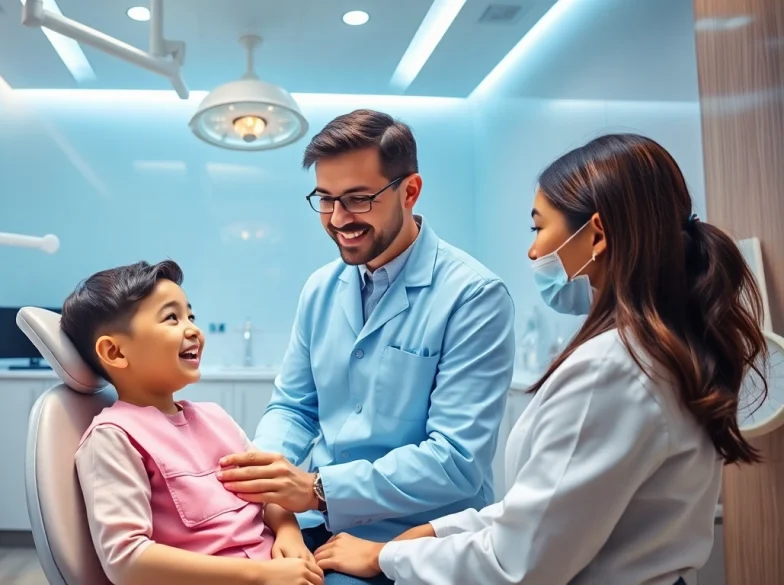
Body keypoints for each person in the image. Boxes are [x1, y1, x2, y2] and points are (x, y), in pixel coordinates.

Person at [309, 133, 769, 585]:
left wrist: (387, 556)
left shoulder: (611, 370)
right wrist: (436, 532)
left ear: (596, 235)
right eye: (326, 199)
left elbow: (520, 563)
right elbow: (546, 512)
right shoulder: (661, 351)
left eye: (539, 228)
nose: (533, 251)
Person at [217, 109, 517, 584]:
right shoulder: (321, 288)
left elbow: (456, 460)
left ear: (410, 191)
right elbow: (294, 408)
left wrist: (318, 489)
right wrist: (268, 482)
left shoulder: (473, 296)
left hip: (412, 540)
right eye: (325, 199)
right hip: (318, 524)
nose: (339, 219)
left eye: (358, 199)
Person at [63, 260, 325, 585]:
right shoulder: (114, 438)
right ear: (115, 352)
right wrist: (261, 574)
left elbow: (268, 491)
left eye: (191, 316)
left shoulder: (215, 418)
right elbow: (127, 560)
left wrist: (288, 534)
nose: (193, 330)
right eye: (171, 318)